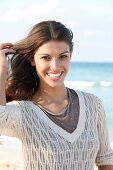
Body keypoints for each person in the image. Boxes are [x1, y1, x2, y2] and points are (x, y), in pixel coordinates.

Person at [0, 20, 113, 170]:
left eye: (63, 56)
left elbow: (105, 159)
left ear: (71, 55)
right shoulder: (23, 112)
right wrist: (2, 68)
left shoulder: (92, 104)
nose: (55, 66)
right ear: (32, 59)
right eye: (46, 57)